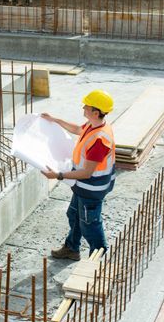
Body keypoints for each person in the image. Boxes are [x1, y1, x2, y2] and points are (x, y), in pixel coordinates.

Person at [41, 90, 115, 261]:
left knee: (90, 225)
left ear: (96, 112)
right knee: (73, 215)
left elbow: (87, 172)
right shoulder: (94, 125)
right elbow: (76, 129)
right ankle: (72, 248)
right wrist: (54, 119)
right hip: (82, 186)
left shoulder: (99, 141)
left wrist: (58, 175)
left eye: (86, 106)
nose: (83, 107)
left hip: (92, 189)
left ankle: (98, 262)